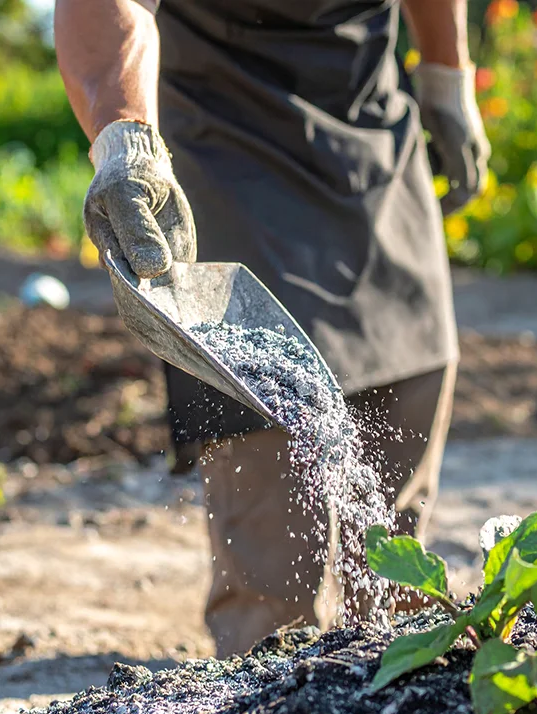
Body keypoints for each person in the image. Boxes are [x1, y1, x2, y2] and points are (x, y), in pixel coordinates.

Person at [52, 0, 489, 657]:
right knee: (270, 530)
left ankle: (395, 672)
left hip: (366, 123)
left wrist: (446, 78)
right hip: (226, 136)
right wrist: (125, 140)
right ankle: (264, 676)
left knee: (408, 402)